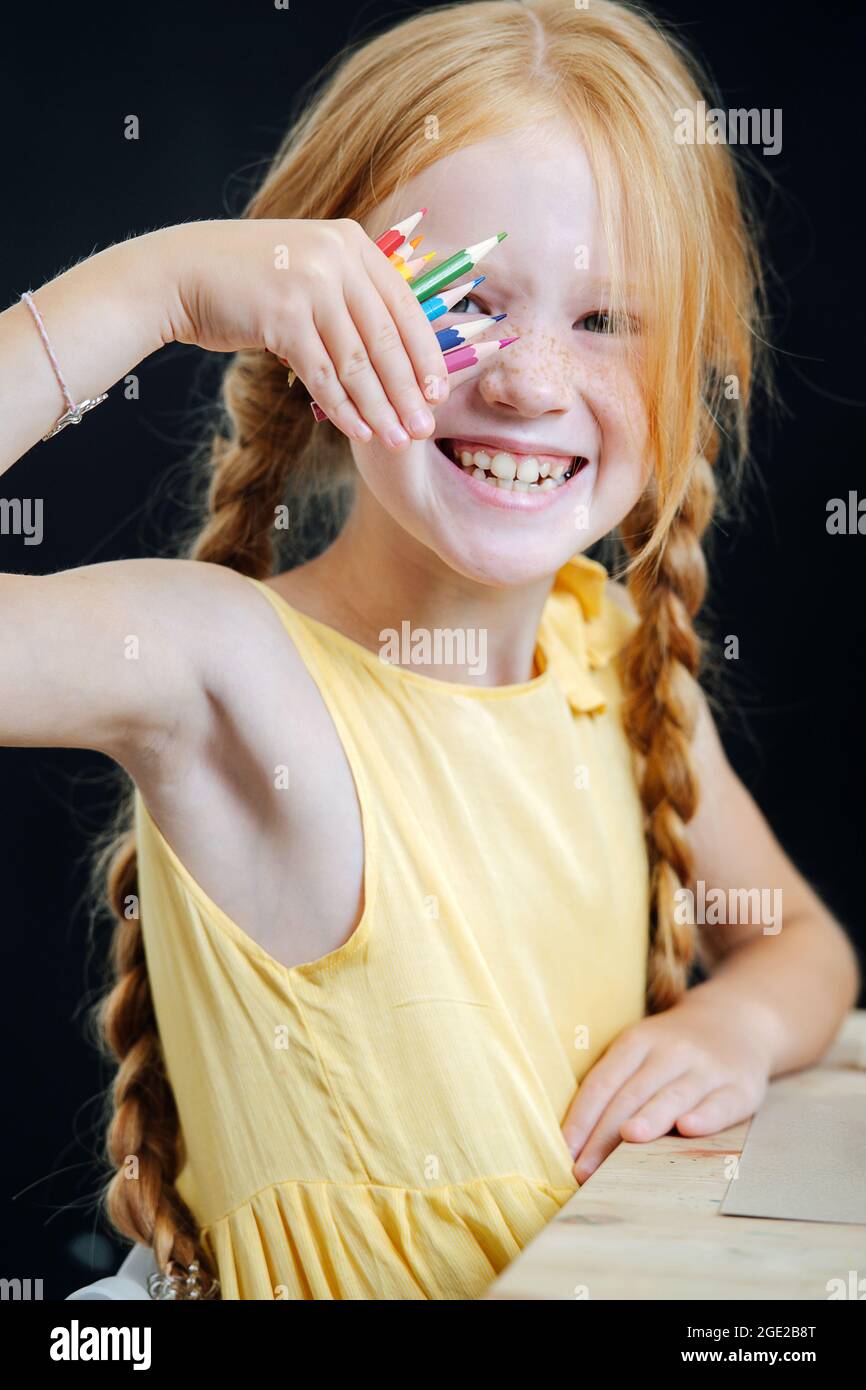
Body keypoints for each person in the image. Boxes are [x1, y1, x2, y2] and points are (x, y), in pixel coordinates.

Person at [1, 0, 858, 1300]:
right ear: (303, 318)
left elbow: (800, 940)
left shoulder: (602, 648)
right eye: (454, 299)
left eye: (606, 320)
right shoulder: (228, 670)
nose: (524, 380)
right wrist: (159, 285)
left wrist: (733, 1022)